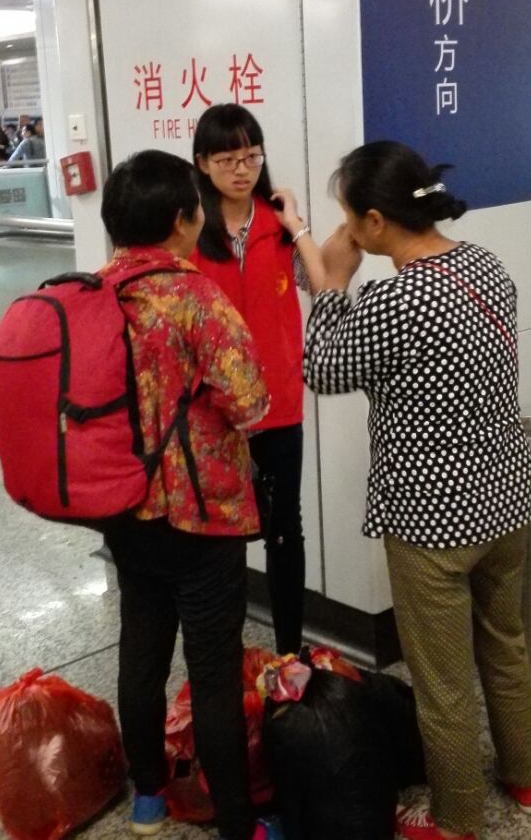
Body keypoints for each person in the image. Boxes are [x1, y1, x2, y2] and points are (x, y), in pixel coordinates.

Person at [302, 140, 531, 840]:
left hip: (432, 523)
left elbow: (323, 370)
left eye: (348, 218)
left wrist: (330, 285)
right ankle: (526, 777)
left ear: (374, 222)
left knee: (442, 681)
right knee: (506, 645)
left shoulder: (393, 300)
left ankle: (456, 817)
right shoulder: (484, 265)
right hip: (506, 498)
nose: (346, 231)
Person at [99, 149, 282, 840]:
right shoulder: (195, 296)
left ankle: (147, 798)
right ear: (182, 219)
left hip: (122, 506)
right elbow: (250, 401)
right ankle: (237, 823)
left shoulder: (92, 294)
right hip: (201, 516)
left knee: (140, 651)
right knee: (211, 671)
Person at [191, 103, 324, 655]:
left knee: (285, 528)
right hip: (213, 412)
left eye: (251, 156)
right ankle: (221, 657)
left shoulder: (276, 226)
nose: (242, 169)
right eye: (227, 159)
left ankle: (291, 654)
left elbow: (320, 282)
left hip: (278, 404)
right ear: (203, 163)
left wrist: (298, 224)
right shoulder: (189, 230)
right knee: (219, 536)